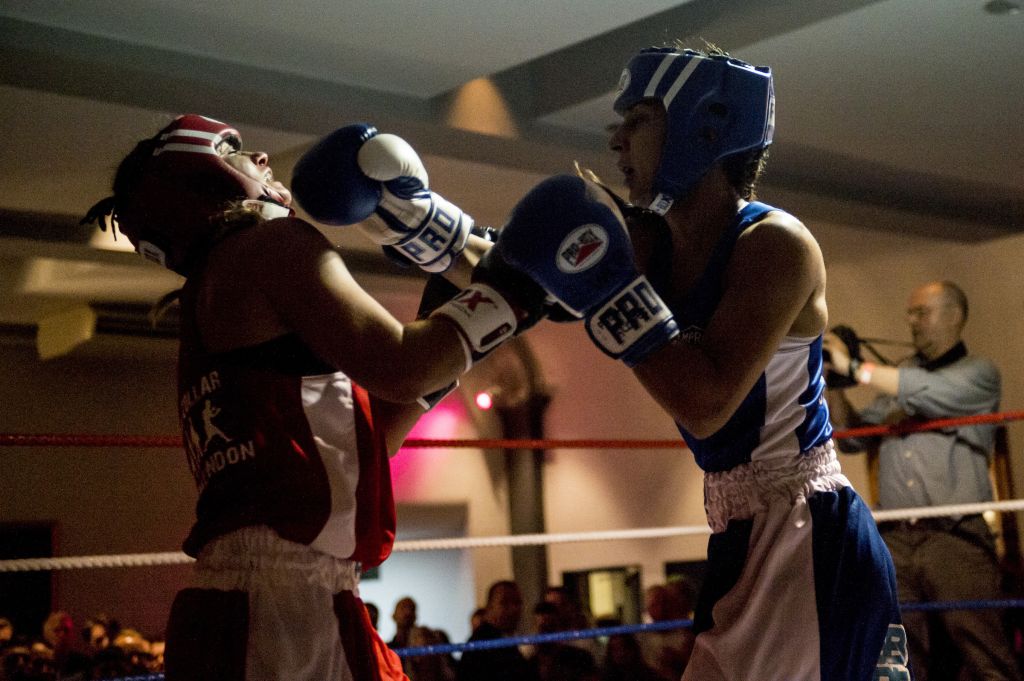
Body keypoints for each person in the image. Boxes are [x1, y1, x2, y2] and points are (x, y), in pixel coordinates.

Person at [487, 45, 909, 679]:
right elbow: (521, 282)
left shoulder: (776, 244)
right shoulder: (655, 241)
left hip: (805, 531)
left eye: (637, 119)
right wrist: (416, 221)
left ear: (704, 127)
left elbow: (708, 404)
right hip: (742, 534)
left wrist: (609, 286)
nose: (615, 139)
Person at [83, 115, 547, 681]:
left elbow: (369, 435)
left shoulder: (216, 287)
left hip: (265, 599)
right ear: (201, 176)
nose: (262, 159)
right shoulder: (267, 245)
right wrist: (517, 291)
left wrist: (458, 309)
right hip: (283, 604)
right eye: (236, 151)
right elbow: (402, 366)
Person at [825, 280, 1020, 680]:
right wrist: (835, 384)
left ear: (954, 316)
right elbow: (853, 439)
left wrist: (857, 369)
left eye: (922, 312)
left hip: (955, 538)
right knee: (898, 660)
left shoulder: (979, 374)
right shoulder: (901, 377)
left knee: (986, 654)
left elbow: (927, 394)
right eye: (910, 313)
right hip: (896, 538)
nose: (911, 322)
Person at [456, 580, 538, 681]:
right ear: (490, 607)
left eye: (517, 603)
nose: (513, 609)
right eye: (505, 603)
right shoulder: (483, 643)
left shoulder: (506, 639)